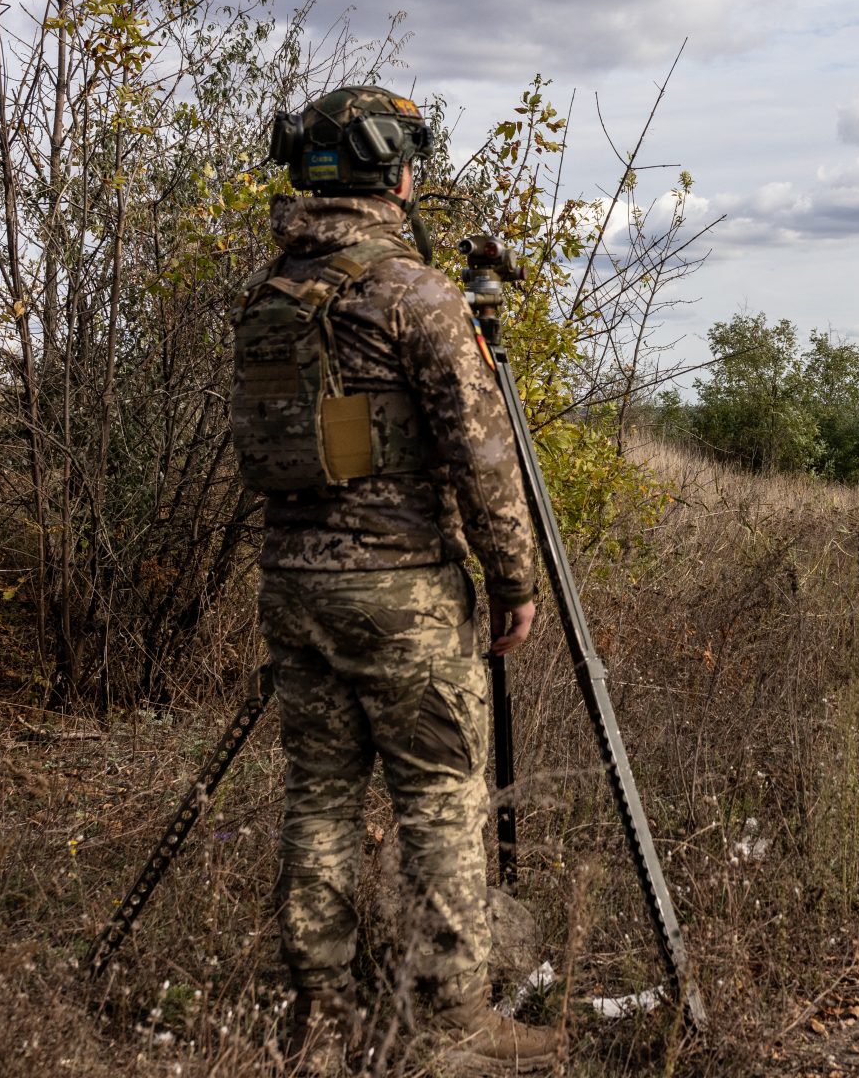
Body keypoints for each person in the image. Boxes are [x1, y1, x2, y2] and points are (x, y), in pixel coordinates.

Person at [231, 86, 563, 1072]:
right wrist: (514, 577)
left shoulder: (270, 293)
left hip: (292, 584)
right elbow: (482, 453)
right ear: (393, 168)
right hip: (402, 591)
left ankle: (318, 1021)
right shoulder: (413, 292)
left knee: (319, 799)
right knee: (442, 798)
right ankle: (446, 1022)